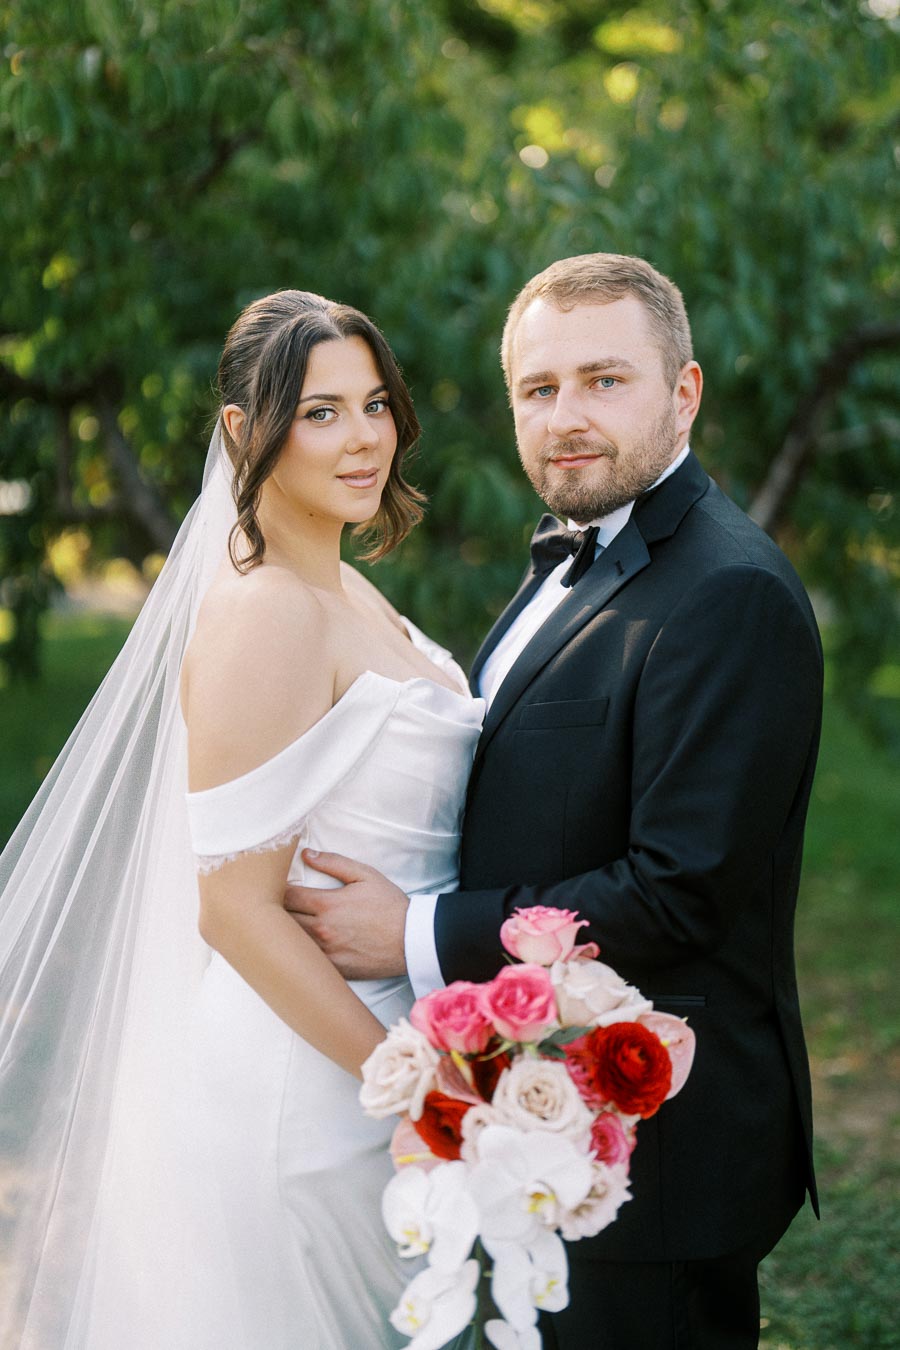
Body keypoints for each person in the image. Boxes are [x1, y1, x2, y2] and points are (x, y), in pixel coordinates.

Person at [286, 254, 823, 1349]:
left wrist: (415, 932)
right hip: (541, 1126)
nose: (566, 417)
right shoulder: (576, 555)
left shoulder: (728, 594)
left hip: (655, 1153)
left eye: (603, 381)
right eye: (539, 389)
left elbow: (678, 893)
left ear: (685, 394)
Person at [0, 290, 483, 1348]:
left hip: (385, 1060)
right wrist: (416, 1087)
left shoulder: (350, 591)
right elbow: (234, 909)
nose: (362, 438)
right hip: (304, 1096)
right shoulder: (266, 613)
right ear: (243, 432)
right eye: (320, 412)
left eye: (374, 404)